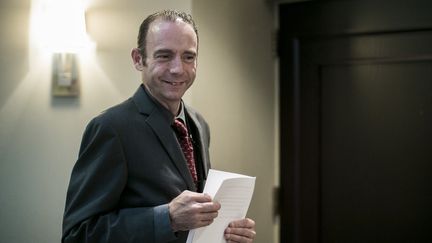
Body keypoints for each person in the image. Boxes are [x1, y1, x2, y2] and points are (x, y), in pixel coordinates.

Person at [62, 10, 256, 243]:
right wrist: (168, 219)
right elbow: (77, 235)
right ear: (138, 59)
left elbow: (195, 219)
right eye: (164, 56)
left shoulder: (199, 124)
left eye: (188, 57)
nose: (178, 69)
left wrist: (225, 231)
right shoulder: (110, 128)